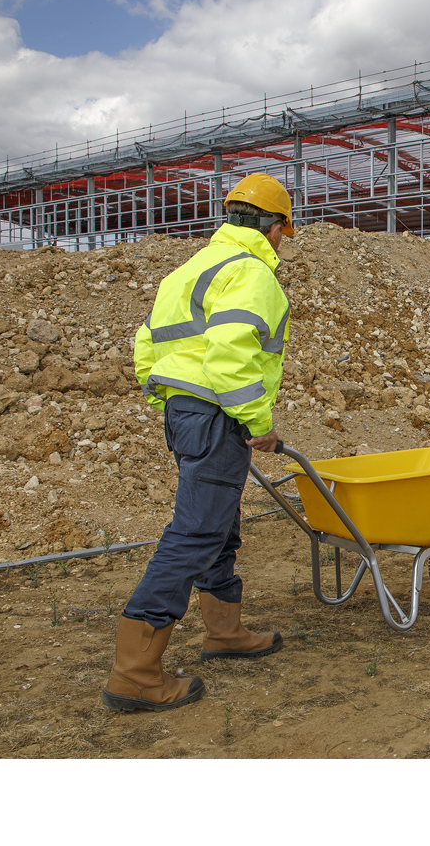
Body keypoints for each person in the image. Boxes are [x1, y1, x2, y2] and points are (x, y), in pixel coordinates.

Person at [101, 174, 294, 712]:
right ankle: (134, 674)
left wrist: (168, 403)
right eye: (283, 231)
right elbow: (231, 356)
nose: (282, 241)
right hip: (218, 412)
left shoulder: (187, 271)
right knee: (195, 533)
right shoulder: (251, 273)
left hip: (188, 413)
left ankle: (224, 633)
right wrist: (256, 422)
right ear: (275, 227)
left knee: (218, 523)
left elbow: (146, 345)